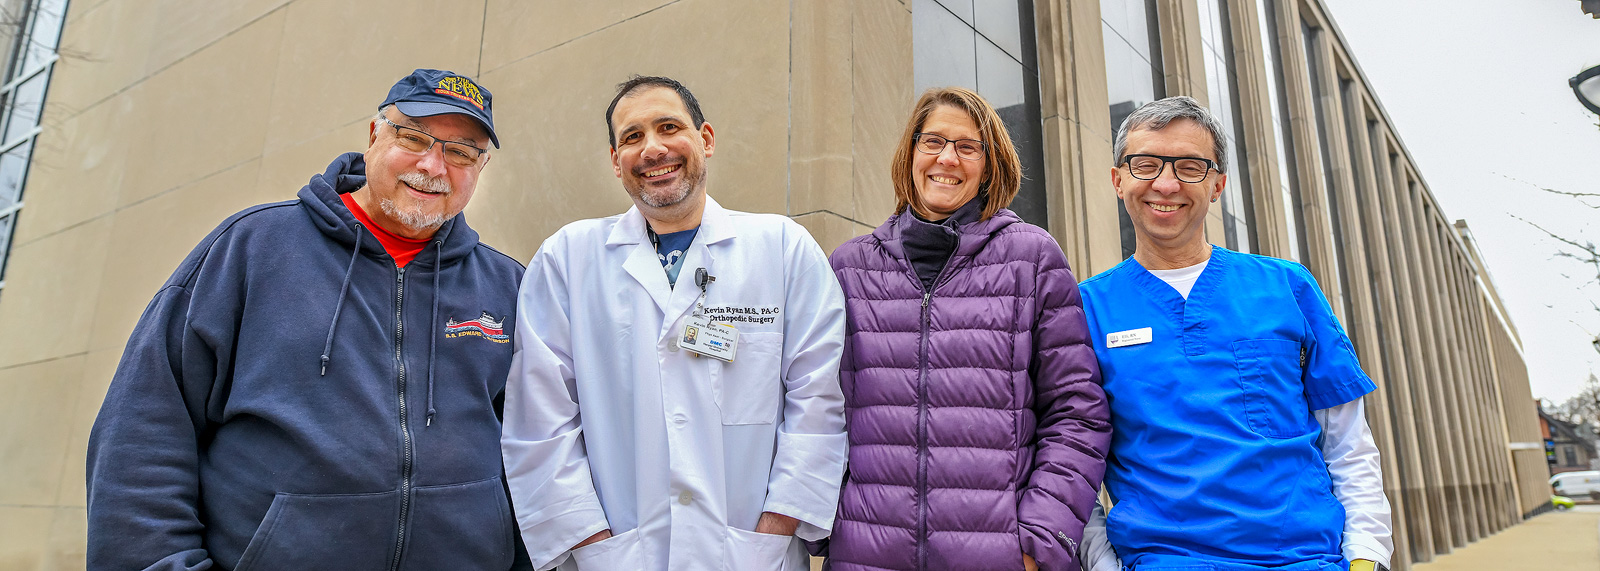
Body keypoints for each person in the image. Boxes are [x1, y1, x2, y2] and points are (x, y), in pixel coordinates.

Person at [85, 69, 532, 571]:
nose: (433, 165)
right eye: (414, 137)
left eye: (462, 152)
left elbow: (537, 454)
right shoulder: (254, 248)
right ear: (373, 136)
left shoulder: (507, 286)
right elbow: (143, 429)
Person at [501, 75, 847, 571]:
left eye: (668, 127)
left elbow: (818, 401)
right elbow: (541, 419)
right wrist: (594, 544)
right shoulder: (566, 259)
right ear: (615, 161)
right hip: (617, 554)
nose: (653, 148)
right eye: (632, 137)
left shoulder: (783, 249)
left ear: (705, 139)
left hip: (750, 553)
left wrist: (775, 528)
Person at [1076, 96, 1393, 571]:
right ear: (1118, 179)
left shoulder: (1288, 287)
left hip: (1305, 560)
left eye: (1189, 167)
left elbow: (1348, 443)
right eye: (1145, 164)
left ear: (1218, 183)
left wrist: (1368, 558)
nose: (1166, 183)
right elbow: (1070, 462)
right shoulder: (1085, 310)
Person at [824, 86, 1112, 571]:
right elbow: (820, 409)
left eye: (967, 146)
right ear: (910, 153)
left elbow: (1078, 414)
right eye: (933, 141)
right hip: (865, 555)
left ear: (988, 163)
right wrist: (828, 522)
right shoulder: (849, 268)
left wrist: (1039, 537)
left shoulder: (1032, 258)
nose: (947, 158)